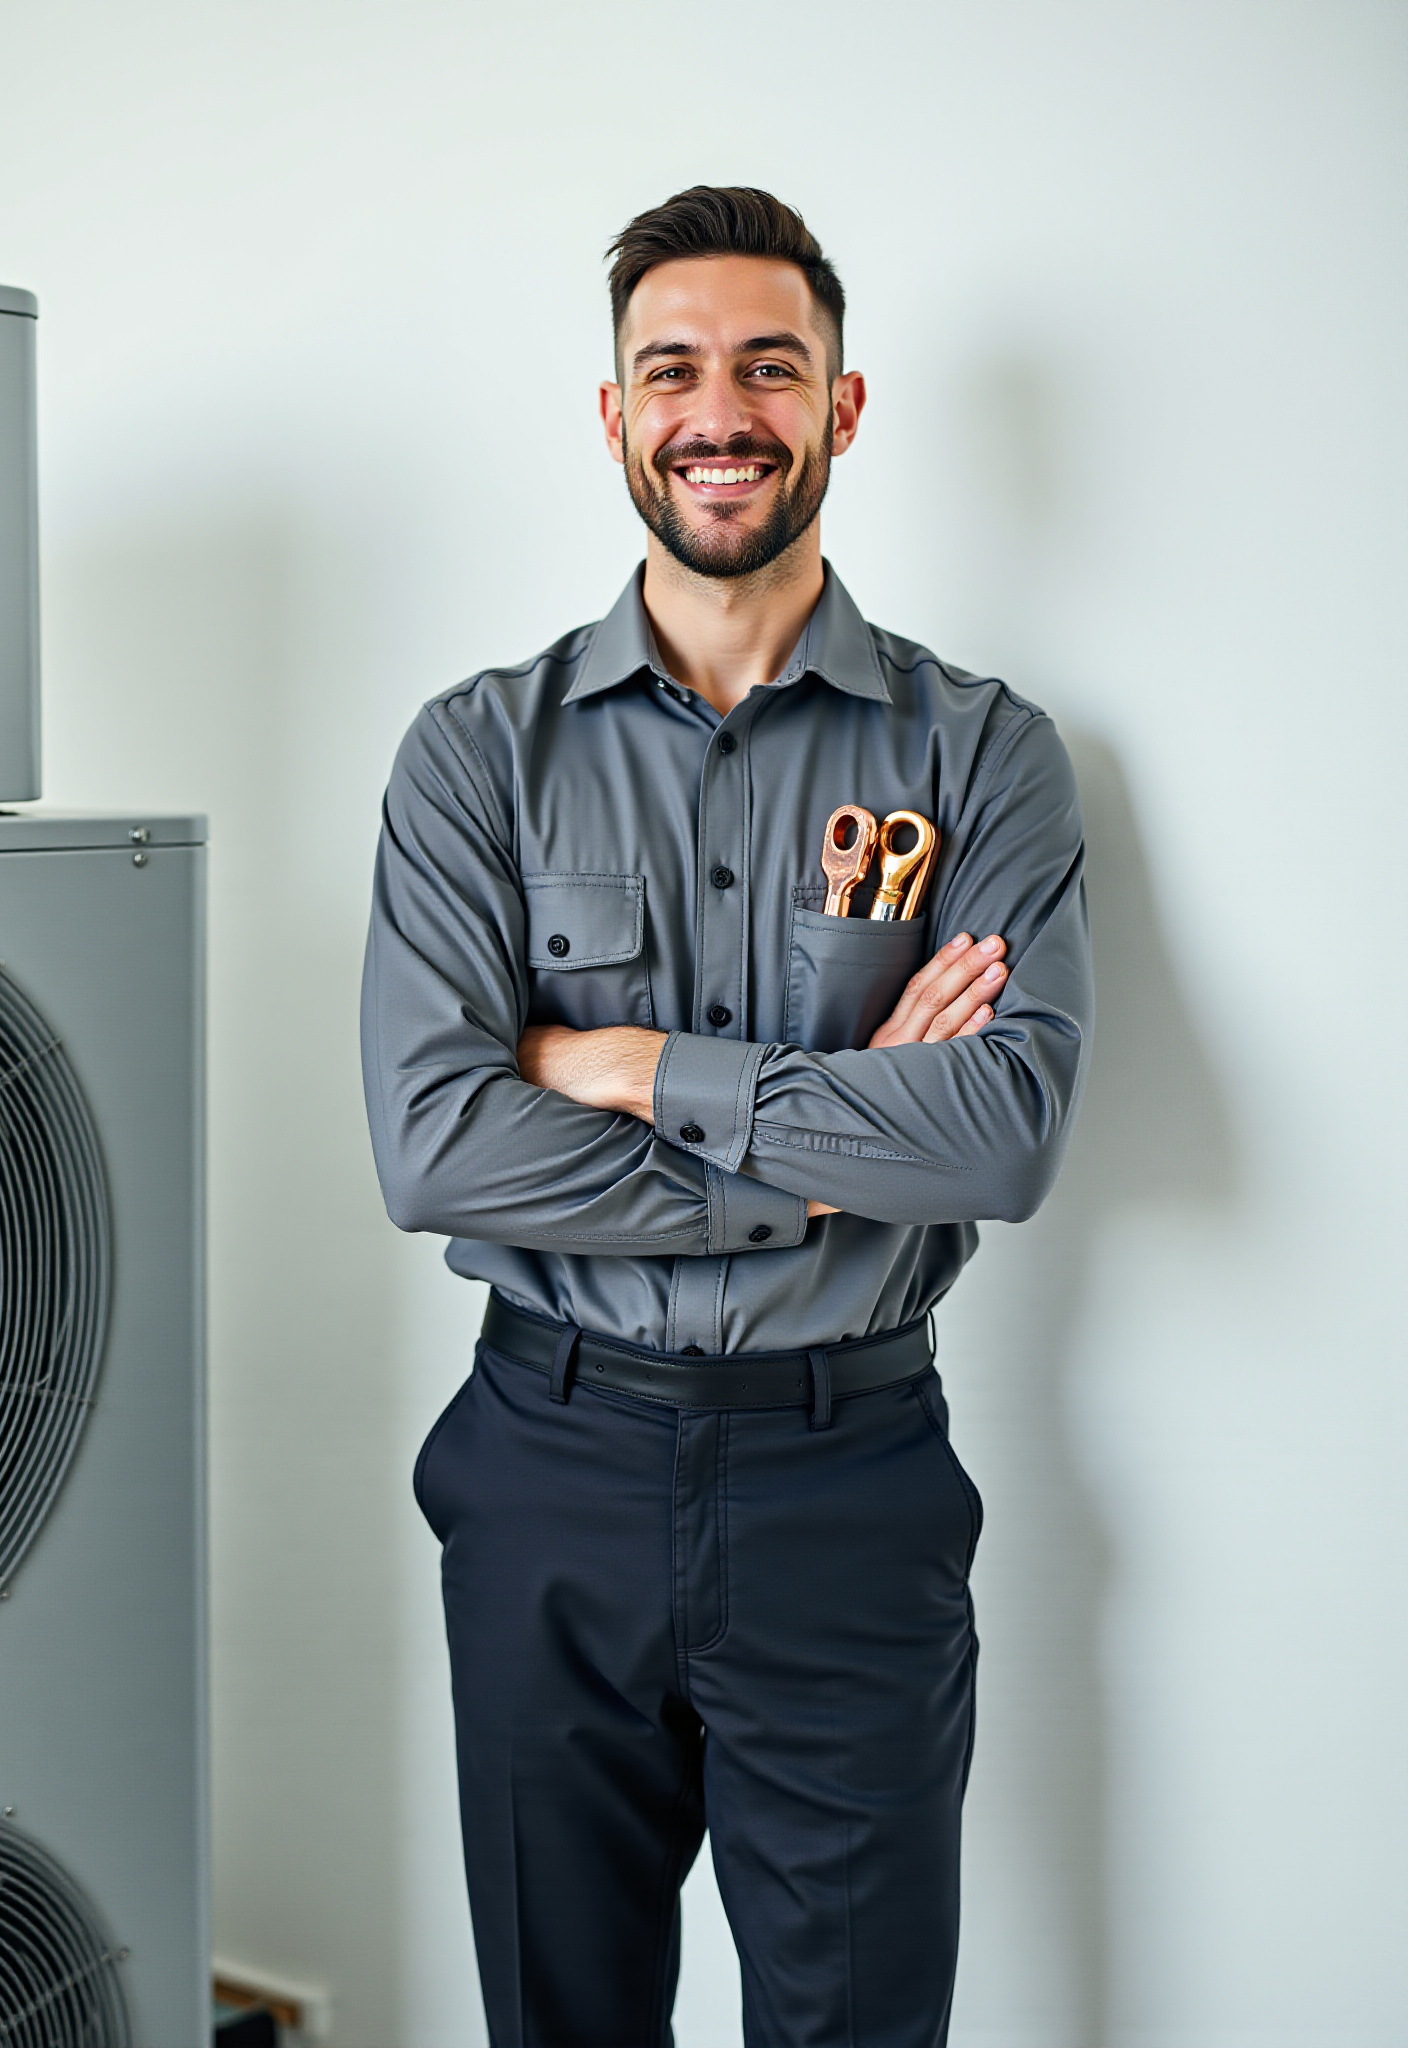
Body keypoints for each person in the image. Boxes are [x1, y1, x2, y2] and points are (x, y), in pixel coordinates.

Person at [361, 185, 1092, 2048]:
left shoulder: (977, 750)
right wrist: (843, 1144)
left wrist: (626, 1067)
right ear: (613, 413)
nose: (720, 410)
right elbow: (435, 1144)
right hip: (550, 1465)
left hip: (847, 1483)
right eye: (671, 367)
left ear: (843, 410)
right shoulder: (476, 755)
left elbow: (1000, 1133)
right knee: (563, 2015)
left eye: (772, 367)